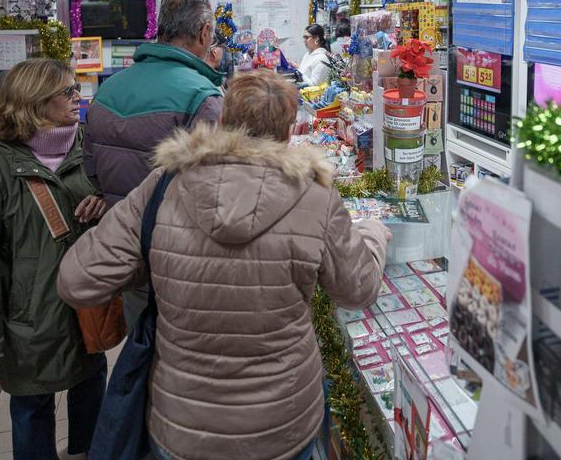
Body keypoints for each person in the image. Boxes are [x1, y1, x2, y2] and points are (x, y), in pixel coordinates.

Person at [57, 71, 391, 460]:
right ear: (287, 132)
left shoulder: (165, 184)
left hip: (183, 424)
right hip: (281, 424)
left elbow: (77, 280)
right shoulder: (316, 196)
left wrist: (152, 259)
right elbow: (358, 290)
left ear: (223, 121)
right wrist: (372, 234)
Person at [0, 59, 108, 460]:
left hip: (87, 306)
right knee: (31, 406)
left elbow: (122, 212)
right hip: (28, 320)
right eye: (67, 92)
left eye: (75, 89)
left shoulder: (90, 149)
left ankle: (86, 452)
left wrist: (105, 202)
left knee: (92, 384)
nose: (77, 98)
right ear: (34, 100)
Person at [84, 0, 224, 208]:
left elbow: (91, 169)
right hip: (173, 232)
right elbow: (214, 182)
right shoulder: (203, 96)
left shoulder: (107, 88)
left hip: (117, 227)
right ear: (204, 33)